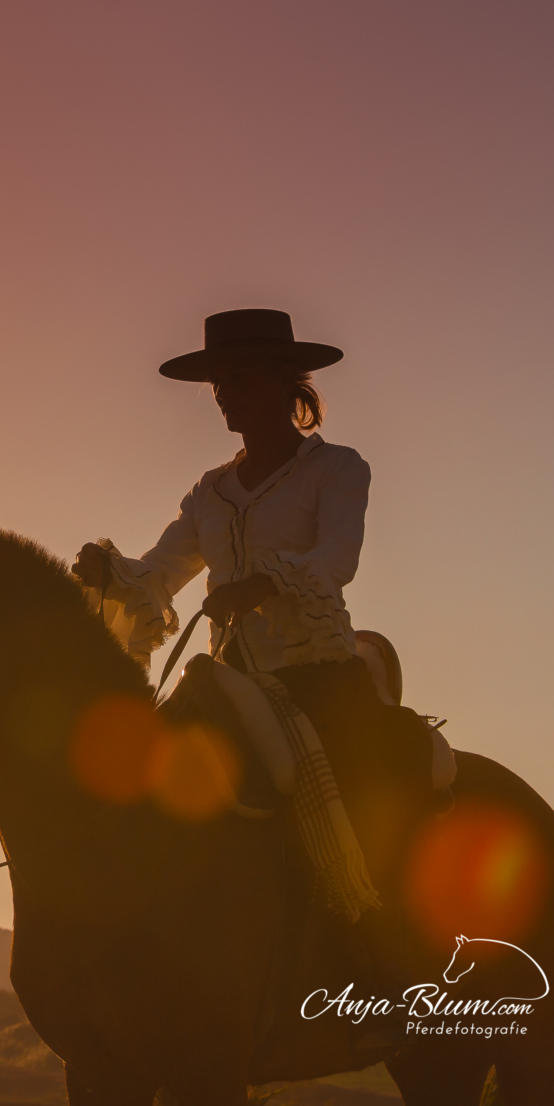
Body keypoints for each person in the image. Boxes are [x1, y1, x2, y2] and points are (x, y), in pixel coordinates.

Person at [72, 307, 429, 1044]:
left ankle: (387, 960)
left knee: (361, 798)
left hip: (320, 678)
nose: (224, 393)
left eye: (238, 376)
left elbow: (336, 560)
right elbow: (161, 572)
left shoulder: (337, 468)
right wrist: (110, 573)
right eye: (217, 381)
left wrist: (263, 581)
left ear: (281, 380)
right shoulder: (208, 494)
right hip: (235, 680)